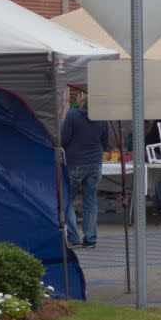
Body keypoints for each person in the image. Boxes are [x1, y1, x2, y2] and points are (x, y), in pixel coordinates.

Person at [61, 90, 110, 249]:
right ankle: (90, 238)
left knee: (67, 199)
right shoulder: (102, 118)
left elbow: (63, 139)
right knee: (90, 201)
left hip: (75, 162)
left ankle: (73, 237)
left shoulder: (72, 115)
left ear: (81, 99)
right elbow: (105, 141)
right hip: (95, 163)